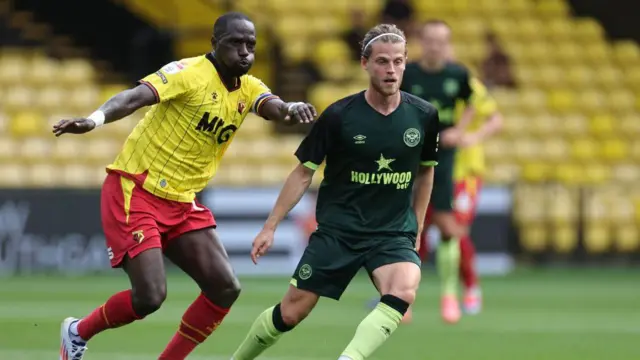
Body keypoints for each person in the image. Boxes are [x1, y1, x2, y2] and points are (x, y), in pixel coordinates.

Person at [54, 12, 316, 360]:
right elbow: (135, 97)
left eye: (250, 45)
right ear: (214, 43)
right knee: (150, 296)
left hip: (181, 202)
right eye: (235, 43)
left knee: (224, 288)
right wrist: (94, 119)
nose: (244, 52)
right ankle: (77, 332)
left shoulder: (250, 87)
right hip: (137, 189)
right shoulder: (188, 73)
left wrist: (293, 107)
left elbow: (274, 107)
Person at [229, 23, 439, 360]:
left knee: (404, 287)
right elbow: (302, 174)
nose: (391, 69)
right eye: (383, 61)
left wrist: (417, 224)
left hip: (391, 233)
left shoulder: (424, 116)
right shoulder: (340, 116)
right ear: (365, 64)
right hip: (338, 232)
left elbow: (426, 171)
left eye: (398, 61)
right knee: (291, 313)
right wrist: (270, 226)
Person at [418, 45, 503, 315]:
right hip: (432, 168)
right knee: (416, 230)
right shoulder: (424, 83)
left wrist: (472, 138)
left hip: (464, 172)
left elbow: (495, 119)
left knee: (456, 230)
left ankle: (470, 287)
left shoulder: (469, 85)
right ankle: (399, 293)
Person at [400, 19, 475, 324]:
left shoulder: (458, 74)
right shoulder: (409, 73)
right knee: (403, 227)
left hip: (443, 157)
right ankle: (399, 298)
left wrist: (460, 129)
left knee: (446, 225)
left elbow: (471, 103)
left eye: (441, 41)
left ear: (448, 44)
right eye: (430, 40)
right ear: (421, 41)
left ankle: (449, 295)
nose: (435, 46)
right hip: (410, 155)